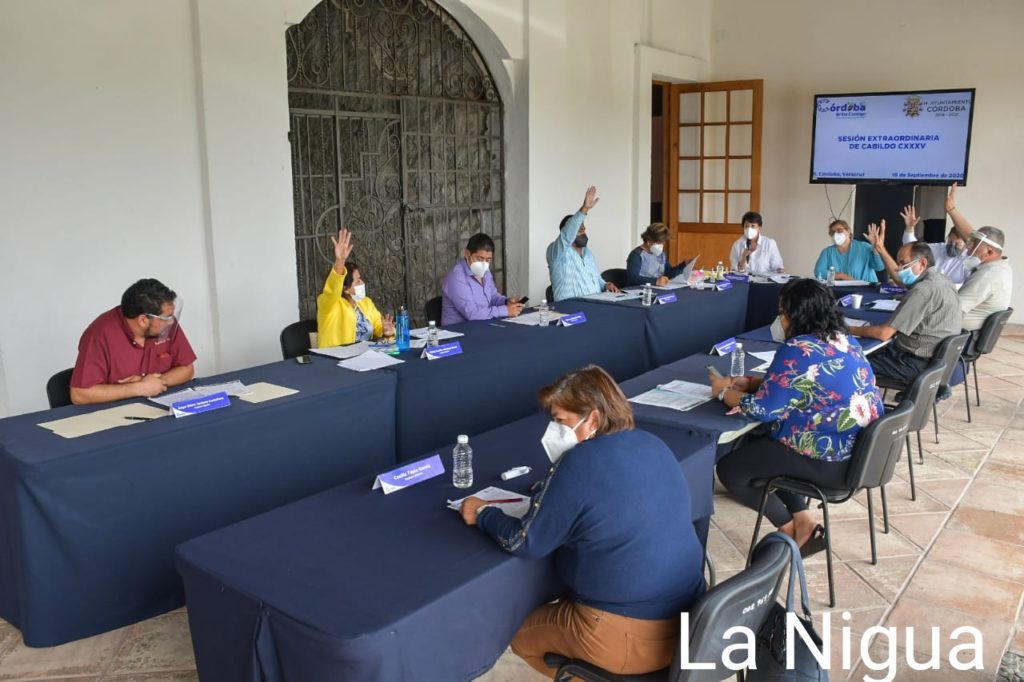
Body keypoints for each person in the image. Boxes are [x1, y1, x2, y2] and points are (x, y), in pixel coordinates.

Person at [460, 365, 705, 678]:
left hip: (629, 635)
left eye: (561, 420)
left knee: (521, 637)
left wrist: (483, 513)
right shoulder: (651, 442)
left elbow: (525, 541)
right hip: (693, 622)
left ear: (593, 418)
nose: (554, 429)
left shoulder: (580, 461)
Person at [711, 279, 883, 551]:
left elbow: (765, 410)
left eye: (782, 311)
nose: (779, 318)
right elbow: (804, 386)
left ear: (797, 315)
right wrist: (754, 383)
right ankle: (804, 522)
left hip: (829, 460)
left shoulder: (799, 348)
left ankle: (793, 533)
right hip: (860, 453)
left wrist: (722, 392)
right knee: (761, 450)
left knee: (732, 469)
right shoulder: (845, 341)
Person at [848, 242, 962, 383]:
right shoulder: (943, 280)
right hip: (940, 361)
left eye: (903, 263)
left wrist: (847, 328)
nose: (899, 269)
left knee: (851, 362)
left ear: (922, 263)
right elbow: (903, 283)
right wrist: (881, 249)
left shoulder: (922, 290)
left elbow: (884, 334)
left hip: (916, 363)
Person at [70, 279, 196, 405]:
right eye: (167, 317)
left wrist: (158, 381)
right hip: (114, 415)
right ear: (143, 321)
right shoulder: (100, 334)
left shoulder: (165, 325)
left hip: (158, 408)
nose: (171, 321)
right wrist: (138, 388)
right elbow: (80, 394)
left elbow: (187, 369)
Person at [943, 185, 1013, 331]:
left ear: (989, 252)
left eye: (974, 244)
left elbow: (951, 311)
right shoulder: (1001, 267)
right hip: (968, 334)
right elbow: (971, 235)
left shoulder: (986, 277)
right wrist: (951, 210)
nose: (969, 247)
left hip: (956, 334)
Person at [316, 228, 395, 347]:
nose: (362, 282)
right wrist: (340, 260)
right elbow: (333, 287)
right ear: (345, 288)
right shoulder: (329, 304)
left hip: (365, 359)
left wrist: (387, 332)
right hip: (334, 361)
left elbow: (379, 328)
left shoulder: (365, 303)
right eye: (357, 281)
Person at [547, 186, 621, 301]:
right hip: (570, 308)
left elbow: (596, 278)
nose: (582, 229)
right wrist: (584, 209)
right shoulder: (556, 251)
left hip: (596, 304)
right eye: (578, 228)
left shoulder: (588, 253)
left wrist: (605, 285)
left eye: (583, 227)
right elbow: (567, 236)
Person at [441, 233, 524, 325]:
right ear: (467, 254)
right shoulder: (456, 278)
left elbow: (492, 297)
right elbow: (472, 313)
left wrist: (506, 301)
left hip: (482, 326)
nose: (484, 264)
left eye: (488, 260)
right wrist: (505, 310)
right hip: (458, 332)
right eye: (480, 259)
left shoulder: (485, 271)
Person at [897, 204, 970, 284]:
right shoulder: (937, 248)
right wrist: (909, 228)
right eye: (950, 242)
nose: (952, 246)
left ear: (966, 244)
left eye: (957, 244)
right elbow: (912, 248)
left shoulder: (969, 260)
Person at [813, 219, 884, 282]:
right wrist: (841, 276)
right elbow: (819, 273)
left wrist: (875, 247)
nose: (835, 234)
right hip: (839, 292)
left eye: (839, 230)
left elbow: (879, 267)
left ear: (848, 231)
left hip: (866, 291)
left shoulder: (864, 247)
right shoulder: (827, 252)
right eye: (832, 232)